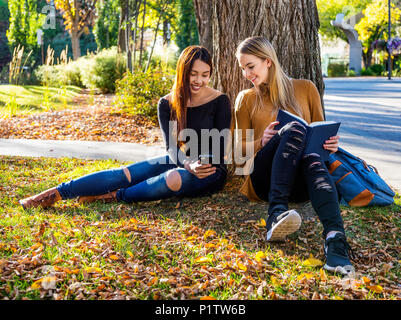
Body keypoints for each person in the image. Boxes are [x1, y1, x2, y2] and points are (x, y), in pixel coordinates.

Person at [20, 46, 231, 210]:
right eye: (194, 74)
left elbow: (221, 147)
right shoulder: (167, 103)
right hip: (182, 160)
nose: (199, 80)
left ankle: (114, 196)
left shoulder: (219, 100)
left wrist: (198, 165)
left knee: (173, 178)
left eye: (205, 74)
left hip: (210, 169)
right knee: (126, 173)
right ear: (182, 72)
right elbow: (171, 148)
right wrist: (187, 163)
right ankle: (53, 194)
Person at [234, 36, 354, 275]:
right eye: (243, 69)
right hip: (263, 181)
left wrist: (330, 145)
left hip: (302, 182)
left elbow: (319, 135)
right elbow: (237, 155)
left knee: (311, 156)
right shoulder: (245, 99)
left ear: (268, 61)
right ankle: (275, 213)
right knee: (293, 128)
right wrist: (262, 141)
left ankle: (335, 240)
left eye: (250, 67)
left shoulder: (306, 88)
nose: (247, 74)